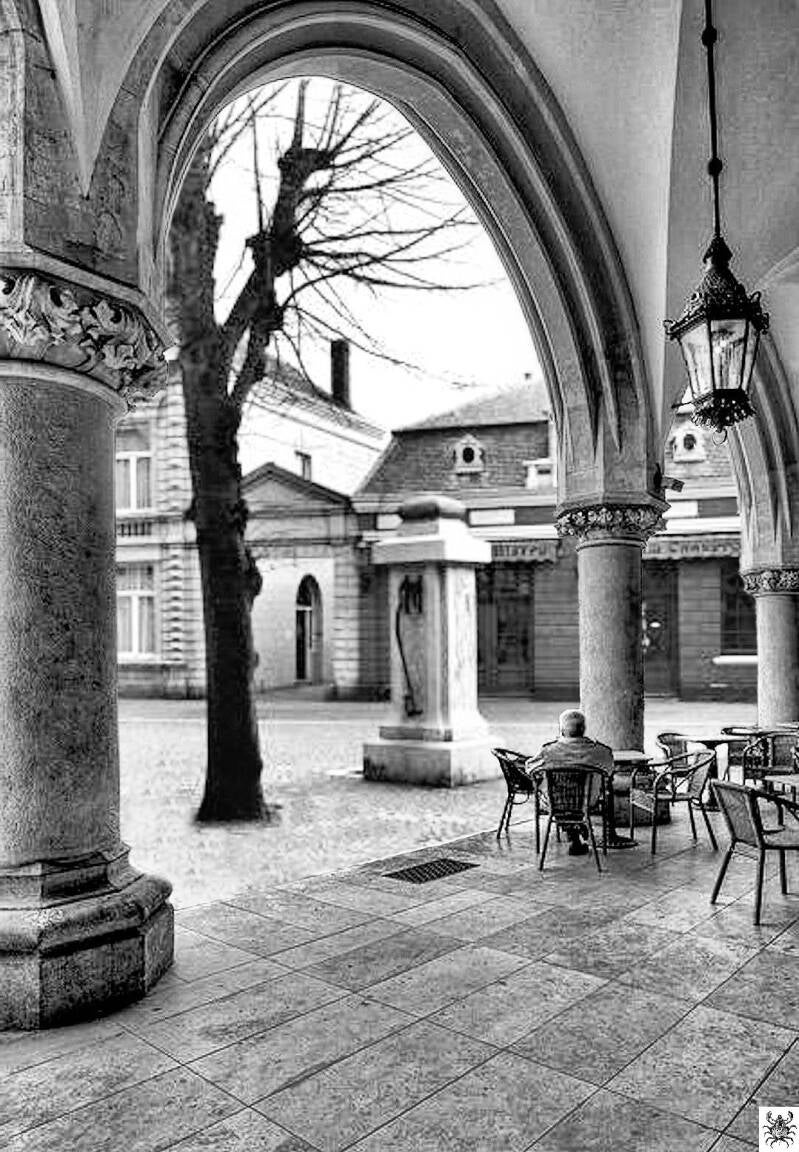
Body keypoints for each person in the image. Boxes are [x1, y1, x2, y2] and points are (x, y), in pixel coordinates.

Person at [526, 709, 614, 855]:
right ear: (584, 729)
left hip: (555, 802)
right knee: (574, 799)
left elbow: (530, 769)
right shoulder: (601, 751)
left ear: (561, 730)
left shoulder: (548, 751)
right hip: (588, 802)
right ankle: (577, 828)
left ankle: (573, 831)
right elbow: (609, 771)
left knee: (554, 794)